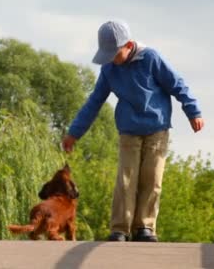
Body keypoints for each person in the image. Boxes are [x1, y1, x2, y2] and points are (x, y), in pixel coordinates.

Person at [61, 20, 204, 242]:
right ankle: (120, 228)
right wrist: (74, 133)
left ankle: (144, 227)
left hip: (157, 128)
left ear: (128, 45)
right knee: (126, 179)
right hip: (128, 130)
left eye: (115, 54)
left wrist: (193, 111)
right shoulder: (109, 68)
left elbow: (177, 84)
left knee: (152, 178)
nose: (112, 60)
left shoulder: (151, 59)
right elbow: (94, 101)